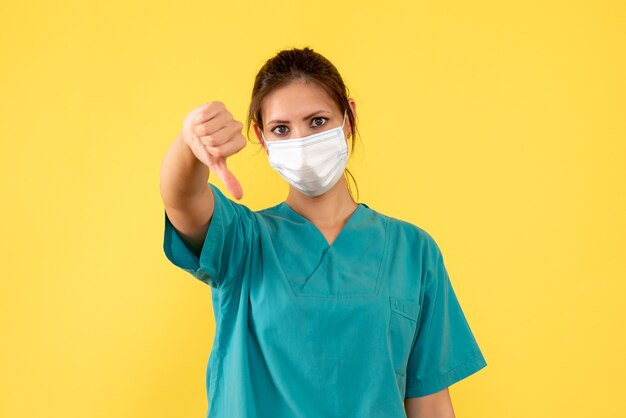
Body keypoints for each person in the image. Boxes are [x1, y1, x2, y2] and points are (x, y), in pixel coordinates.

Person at [160, 47, 487, 418]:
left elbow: (429, 403)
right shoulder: (243, 241)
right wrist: (190, 144)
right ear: (261, 137)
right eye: (281, 129)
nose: (301, 141)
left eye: (317, 121)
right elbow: (182, 199)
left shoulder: (413, 251)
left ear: (348, 118)